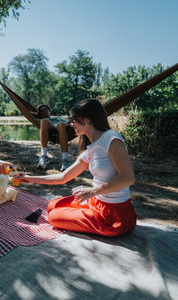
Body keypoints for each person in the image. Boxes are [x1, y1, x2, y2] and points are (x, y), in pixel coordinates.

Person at [19, 99, 137, 236]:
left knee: (54, 217)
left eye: (74, 120)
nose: (71, 123)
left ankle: (87, 217)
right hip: (96, 202)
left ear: (87, 120)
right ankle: (83, 213)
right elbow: (63, 177)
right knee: (52, 205)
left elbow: (128, 178)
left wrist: (93, 191)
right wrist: (29, 178)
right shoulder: (92, 148)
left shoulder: (111, 138)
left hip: (114, 215)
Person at [33, 104, 70, 171]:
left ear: (49, 111)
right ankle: (44, 156)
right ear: (39, 114)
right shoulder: (40, 121)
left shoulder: (60, 118)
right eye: (41, 111)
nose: (44, 111)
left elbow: (68, 125)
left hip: (62, 130)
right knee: (44, 121)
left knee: (61, 125)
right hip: (50, 129)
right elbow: (28, 114)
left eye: (46, 109)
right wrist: (36, 113)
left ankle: (65, 160)